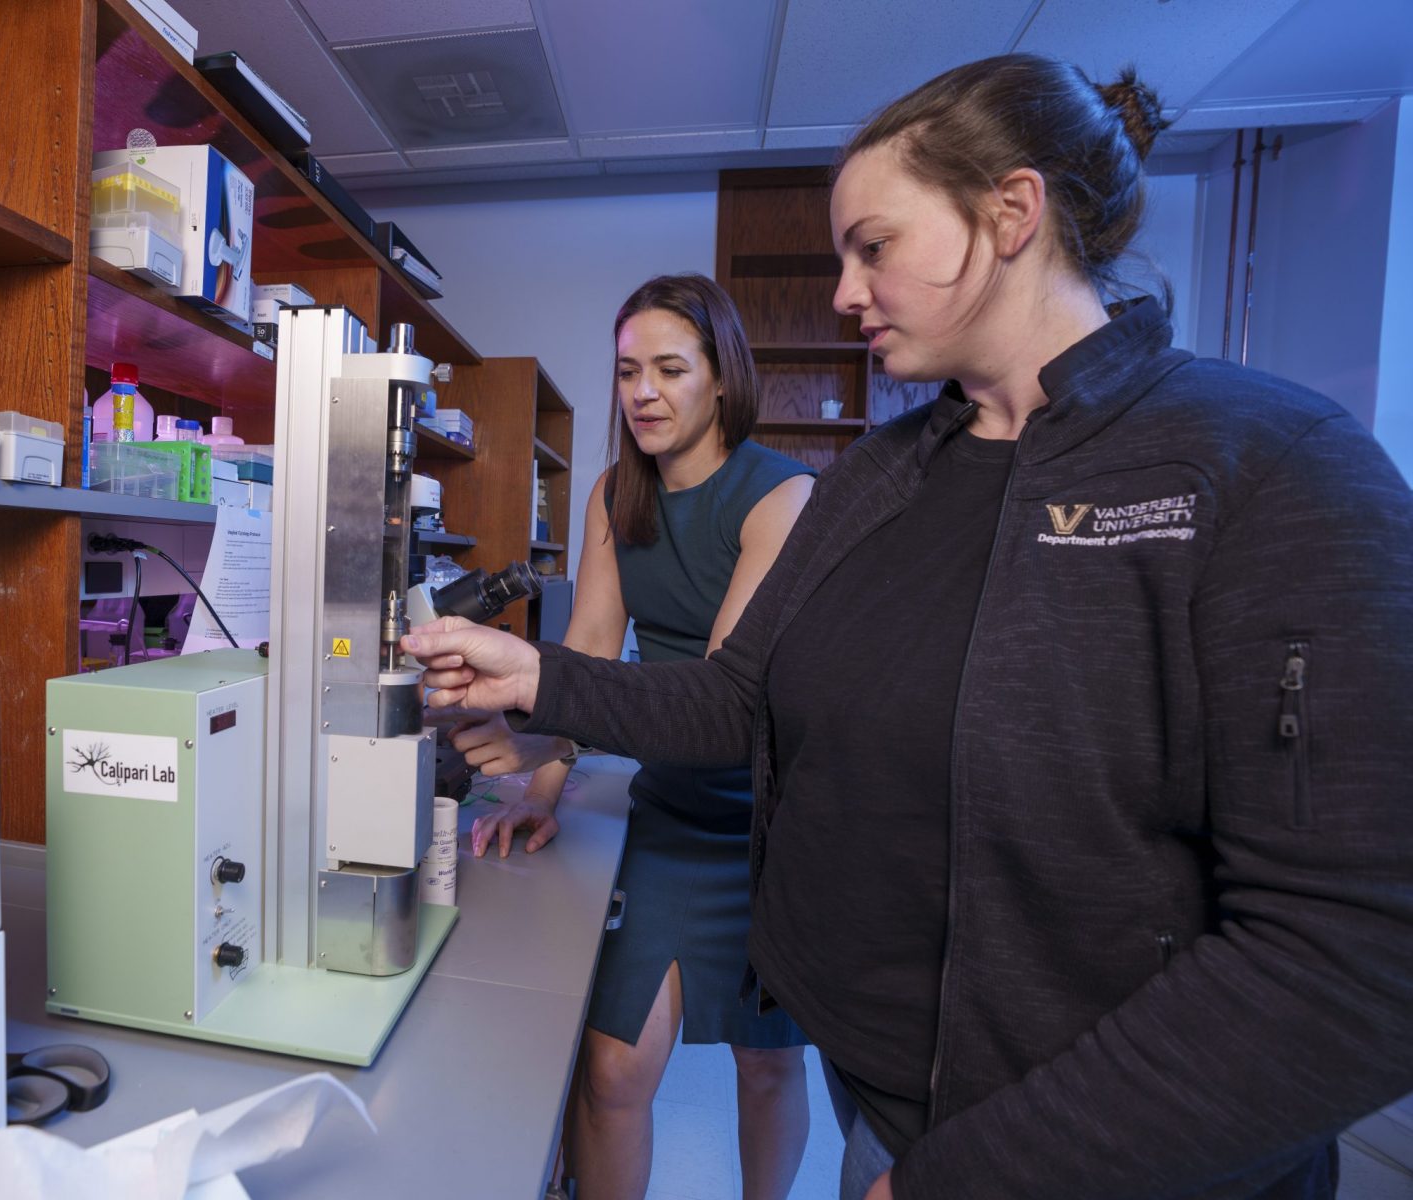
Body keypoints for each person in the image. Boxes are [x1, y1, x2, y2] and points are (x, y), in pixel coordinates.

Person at [405, 53, 1413, 1200]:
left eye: (873, 247)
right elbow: (738, 699)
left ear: (1011, 214)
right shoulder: (881, 480)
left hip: (1102, 1159)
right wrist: (538, 679)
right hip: (882, 1109)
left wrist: (965, 1178)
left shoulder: (1271, 466)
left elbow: (1359, 953)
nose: (845, 292)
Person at [442, 273, 816, 1200]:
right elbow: (590, 652)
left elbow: (717, 701)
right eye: (626, 372)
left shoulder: (782, 497)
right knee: (613, 1070)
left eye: (670, 369)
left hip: (771, 825)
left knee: (766, 1063)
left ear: (722, 377)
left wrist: (545, 734)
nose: (643, 392)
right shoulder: (617, 493)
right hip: (671, 813)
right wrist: (543, 785)